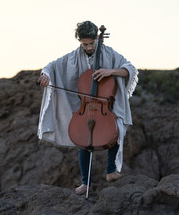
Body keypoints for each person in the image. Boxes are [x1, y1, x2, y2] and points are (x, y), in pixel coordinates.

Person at [37, 21, 138, 195]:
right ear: (79, 41)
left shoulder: (109, 53)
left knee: (116, 129)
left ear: (96, 40)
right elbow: (52, 66)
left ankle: (111, 171)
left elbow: (130, 69)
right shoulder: (73, 56)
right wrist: (45, 74)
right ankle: (86, 183)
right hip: (86, 105)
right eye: (85, 44)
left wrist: (111, 72)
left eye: (92, 43)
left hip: (107, 106)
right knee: (83, 140)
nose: (90, 47)